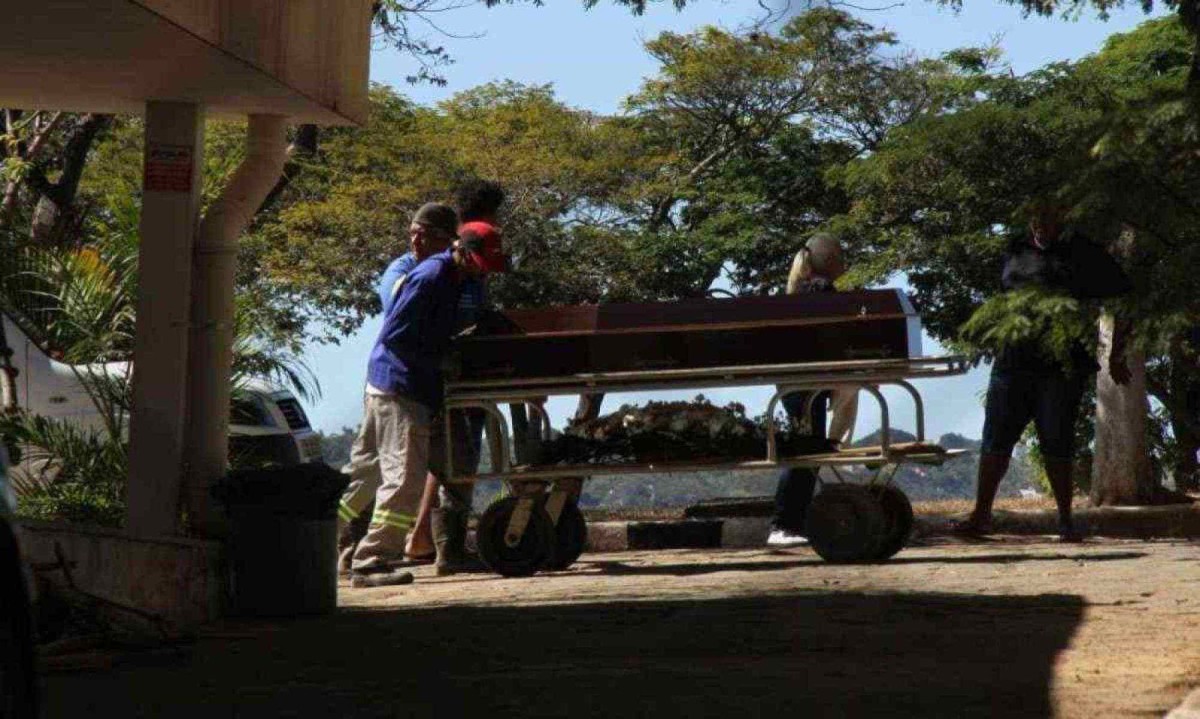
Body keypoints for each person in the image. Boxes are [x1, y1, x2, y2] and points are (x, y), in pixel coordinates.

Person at [954, 204, 1132, 542]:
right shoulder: (1014, 249)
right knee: (996, 438)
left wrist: (1116, 354)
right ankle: (981, 516)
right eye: (1035, 218)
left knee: (1057, 441)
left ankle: (1065, 521)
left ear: (1063, 217)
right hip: (1011, 363)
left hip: (1060, 367)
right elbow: (1000, 301)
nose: (1041, 225)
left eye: (1048, 217)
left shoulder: (1083, 253)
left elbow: (1123, 299)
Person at [335, 202, 479, 588]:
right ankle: (372, 560)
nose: (415, 240)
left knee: (363, 476)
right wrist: (444, 354)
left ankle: (320, 540)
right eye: (414, 232)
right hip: (401, 387)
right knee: (402, 479)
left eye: (423, 234)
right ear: (458, 247)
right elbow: (399, 333)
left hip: (384, 382)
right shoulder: (432, 277)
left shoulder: (447, 275)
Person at [767, 233, 859, 547]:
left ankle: (791, 522)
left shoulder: (799, 291)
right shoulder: (819, 291)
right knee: (807, 451)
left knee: (809, 449)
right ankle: (784, 524)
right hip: (806, 382)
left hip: (799, 382)